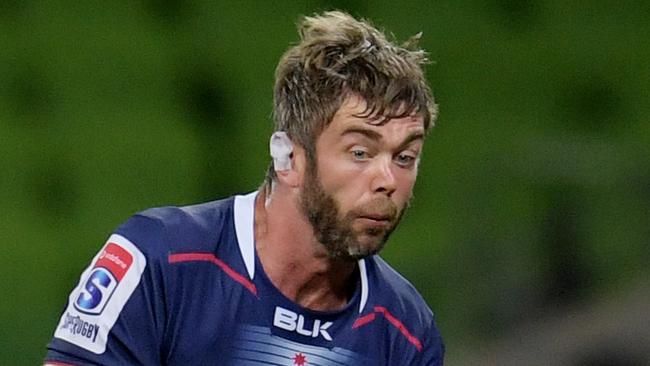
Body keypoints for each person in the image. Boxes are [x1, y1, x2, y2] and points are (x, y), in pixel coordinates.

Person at [44, 10, 444, 365]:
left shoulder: (407, 332)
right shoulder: (158, 261)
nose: (388, 181)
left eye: (404, 158)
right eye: (359, 152)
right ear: (289, 158)